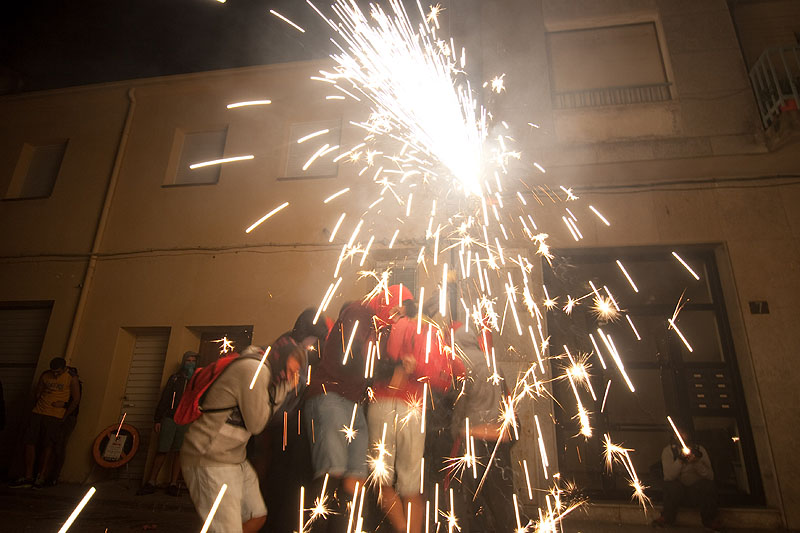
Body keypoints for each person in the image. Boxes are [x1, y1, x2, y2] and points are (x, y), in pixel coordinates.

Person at [181, 344, 304, 533]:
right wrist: (285, 387)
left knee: (256, 516)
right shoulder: (254, 370)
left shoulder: (268, 374)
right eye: (289, 371)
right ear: (281, 359)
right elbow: (257, 424)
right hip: (209, 459)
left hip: (235, 458)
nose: (290, 377)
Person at [304, 301, 378, 533]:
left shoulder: (372, 321)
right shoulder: (359, 312)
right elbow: (356, 352)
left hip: (352, 402)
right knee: (332, 472)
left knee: (355, 480)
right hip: (331, 397)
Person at [449, 326, 518, 533]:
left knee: (472, 501)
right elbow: (507, 398)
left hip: (474, 438)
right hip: (499, 438)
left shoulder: (462, 362)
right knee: (500, 500)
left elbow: (460, 404)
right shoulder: (492, 362)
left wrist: (456, 431)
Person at [10, 356, 80, 489]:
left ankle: (41, 476)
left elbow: (76, 400)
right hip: (38, 412)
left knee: (48, 445)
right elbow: (38, 391)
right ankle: (28, 476)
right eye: (53, 371)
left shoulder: (71, 377)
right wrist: (38, 402)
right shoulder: (45, 375)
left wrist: (64, 413)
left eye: (58, 372)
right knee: (29, 442)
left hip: (54, 415)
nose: (55, 374)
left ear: (64, 368)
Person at [137, 350, 197, 496]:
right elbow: (165, 398)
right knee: (162, 449)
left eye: (193, 361)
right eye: (188, 360)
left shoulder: (196, 380)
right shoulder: (175, 379)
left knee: (178, 452)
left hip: (186, 420)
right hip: (170, 418)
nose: (190, 363)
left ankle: (173, 483)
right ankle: (152, 481)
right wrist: (158, 419)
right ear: (184, 362)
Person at [652, 433, 721, 530]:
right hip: (677, 491)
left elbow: (710, 476)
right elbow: (668, 476)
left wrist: (696, 462)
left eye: (684, 434)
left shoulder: (700, 450)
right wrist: (680, 460)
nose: (682, 438)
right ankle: (667, 517)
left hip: (696, 490)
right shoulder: (668, 451)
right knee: (671, 486)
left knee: (708, 486)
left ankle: (710, 519)